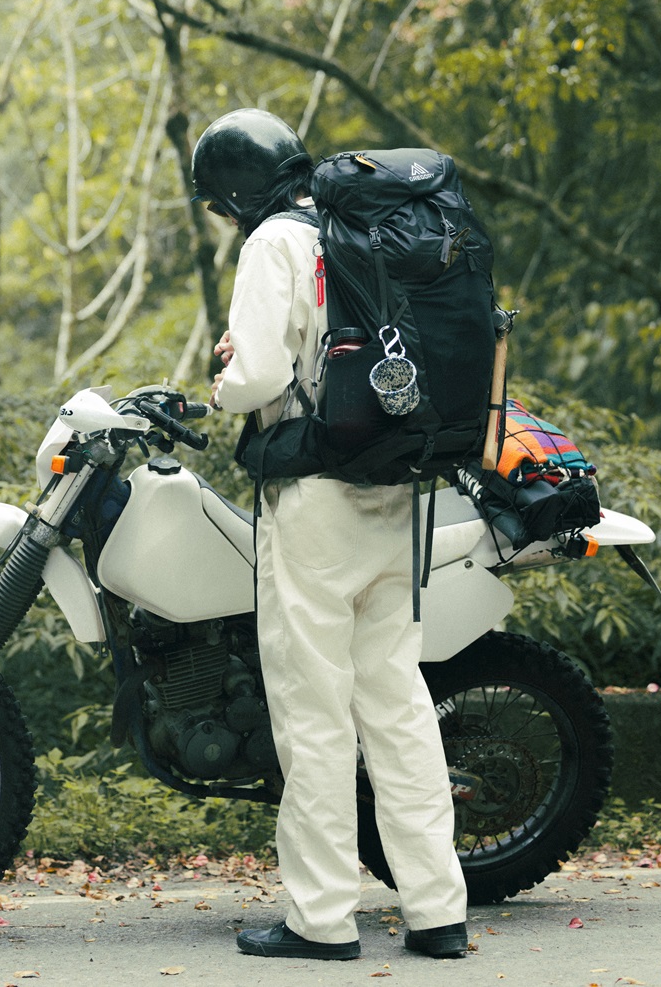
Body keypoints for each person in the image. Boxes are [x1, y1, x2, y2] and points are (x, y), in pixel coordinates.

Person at [191, 107, 468, 963]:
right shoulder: (359, 227)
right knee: (397, 703)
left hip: (315, 498)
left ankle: (321, 919)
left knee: (314, 711)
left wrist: (222, 379)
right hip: (395, 484)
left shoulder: (274, 241)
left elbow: (259, 376)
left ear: (237, 193)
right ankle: (438, 911)